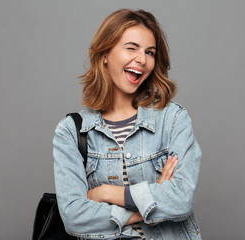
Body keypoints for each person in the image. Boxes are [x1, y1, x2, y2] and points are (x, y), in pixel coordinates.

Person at [53, 9, 202, 240]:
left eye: (149, 52)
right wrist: (148, 204)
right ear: (104, 53)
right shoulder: (71, 132)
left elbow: (181, 200)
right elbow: (74, 217)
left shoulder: (172, 119)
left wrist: (106, 193)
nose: (142, 59)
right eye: (131, 48)